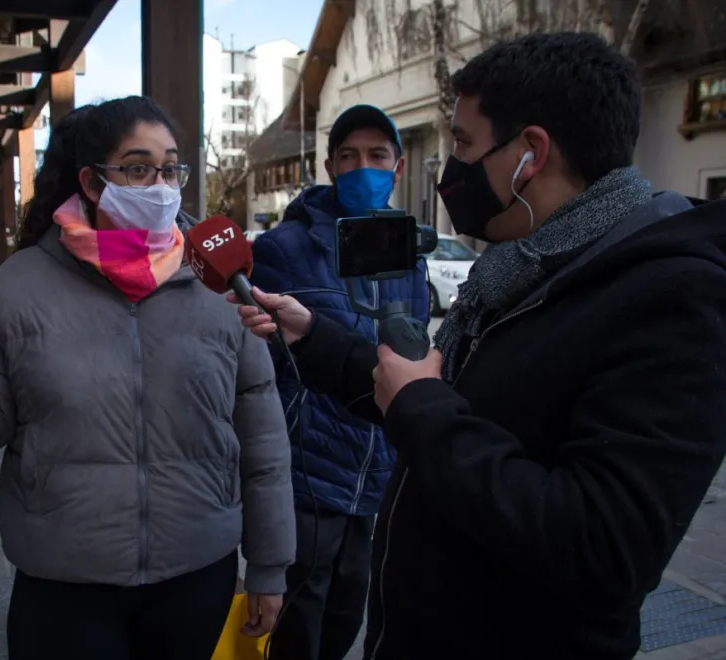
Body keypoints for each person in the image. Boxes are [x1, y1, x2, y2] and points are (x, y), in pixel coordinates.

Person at [232, 32, 726, 660]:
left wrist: (423, 410)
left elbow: (604, 548)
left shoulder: (669, 296)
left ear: (530, 154)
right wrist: (314, 335)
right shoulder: (528, 266)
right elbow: (437, 396)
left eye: (464, 143)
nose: (453, 167)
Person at [0, 96, 295, 660]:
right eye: (138, 168)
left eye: (170, 168)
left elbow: (263, 438)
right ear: (93, 182)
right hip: (64, 583)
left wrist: (270, 565)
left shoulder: (220, 285)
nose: (160, 186)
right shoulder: (16, 288)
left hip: (199, 570)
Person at [249, 104, 428, 660]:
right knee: (297, 630)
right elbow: (262, 363)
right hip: (309, 475)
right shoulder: (284, 249)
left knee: (346, 620)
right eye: (348, 156)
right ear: (329, 167)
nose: (362, 168)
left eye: (377, 156)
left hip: (375, 471)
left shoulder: (408, 253)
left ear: (398, 167)